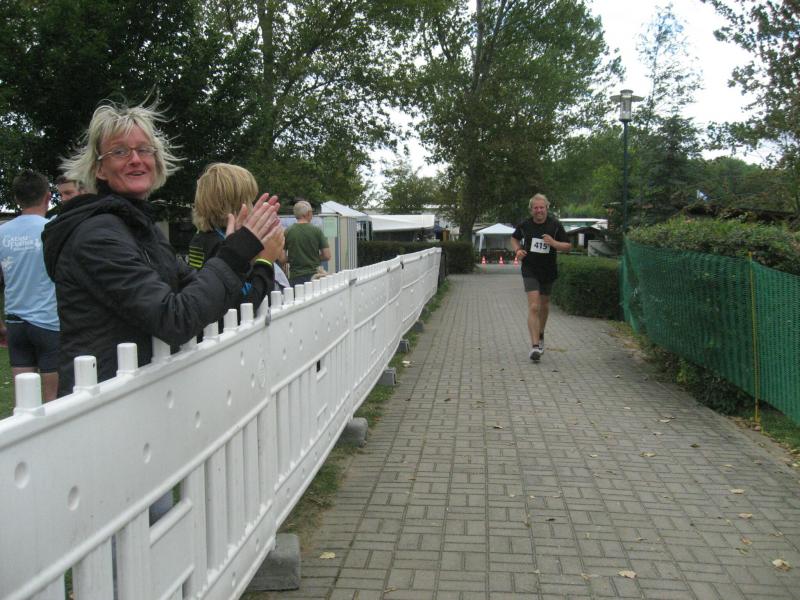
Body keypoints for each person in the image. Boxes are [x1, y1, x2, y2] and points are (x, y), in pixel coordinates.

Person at [42, 100, 283, 397]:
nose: (135, 159)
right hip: (104, 403)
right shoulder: (97, 236)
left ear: (156, 161)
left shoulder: (141, 229)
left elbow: (219, 309)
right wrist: (235, 254)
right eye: (120, 151)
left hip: (143, 396)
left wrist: (243, 259)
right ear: (99, 169)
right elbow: (174, 320)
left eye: (144, 150)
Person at [188, 163, 288, 304]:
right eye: (250, 201)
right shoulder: (221, 245)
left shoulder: (202, 237)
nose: (253, 207)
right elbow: (246, 300)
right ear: (234, 206)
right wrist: (266, 260)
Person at [0, 170, 60, 401]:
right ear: (48, 196)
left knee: (24, 401)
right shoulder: (53, 229)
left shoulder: (2, 233)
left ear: (17, 198)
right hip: (49, 322)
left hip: (15, 324)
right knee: (53, 400)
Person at [511, 193, 570, 362]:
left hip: (548, 270)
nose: (539, 211)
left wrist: (554, 243)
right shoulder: (525, 225)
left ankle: (541, 333)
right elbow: (514, 238)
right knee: (534, 306)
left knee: (544, 306)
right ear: (531, 209)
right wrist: (518, 250)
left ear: (547, 208)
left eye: (541, 207)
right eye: (535, 208)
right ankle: (535, 346)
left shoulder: (555, 225)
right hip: (530, 269)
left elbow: (567, 246)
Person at [284, 199, 330, 287]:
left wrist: (296, 259)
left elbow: (282, 258)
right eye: (311, 212)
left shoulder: (287, 231)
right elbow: (327, 255)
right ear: (308, 213)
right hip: (315, 276)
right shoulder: (317, 231)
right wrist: (313, 258)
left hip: (295, 277)